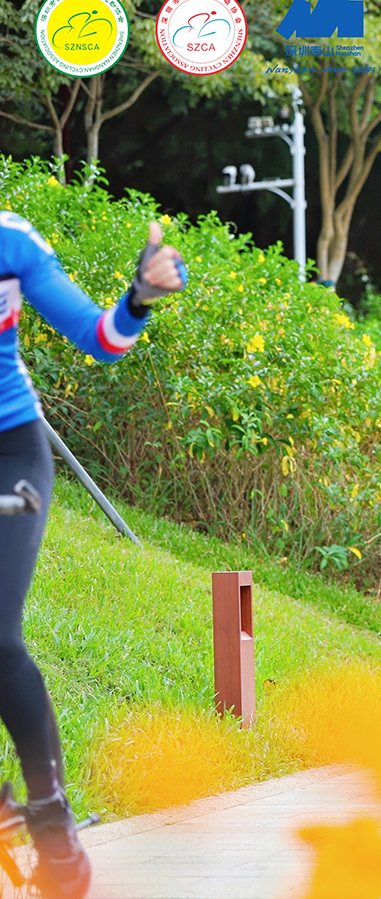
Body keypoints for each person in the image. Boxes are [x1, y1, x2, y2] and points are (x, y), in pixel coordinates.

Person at [0, 214, 186, 899]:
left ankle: (49, 812)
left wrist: (139, 298)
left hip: (10, 454)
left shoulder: (10, 241)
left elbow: (101, 339)